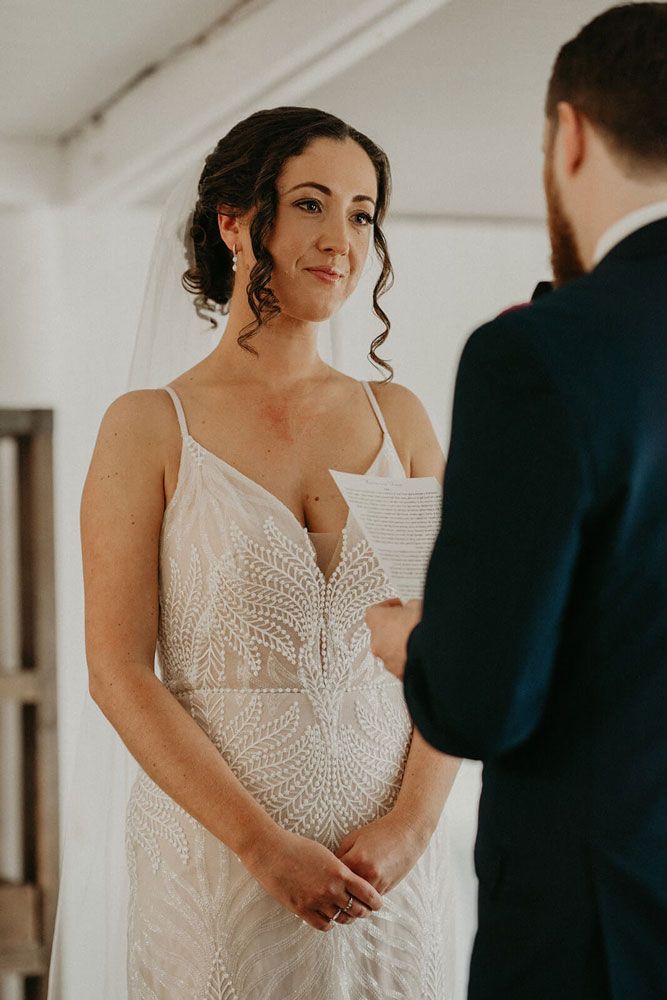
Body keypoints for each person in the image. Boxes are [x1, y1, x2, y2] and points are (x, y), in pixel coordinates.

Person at [79, 107, 460, 998]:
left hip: (385, 880)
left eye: (362, 214)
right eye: (312, 205)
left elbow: (455, 645)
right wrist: (259, 845)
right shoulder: (147, 427)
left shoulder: (398, 421)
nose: (342, 240)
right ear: (236, 222)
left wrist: (410, 825)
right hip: (218, 869)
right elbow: (118, 671)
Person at [366, 4, 667, 998]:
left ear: (570, 134)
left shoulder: (538, 355)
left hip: (603, 926)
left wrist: (411, 642)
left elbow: (481, 700)